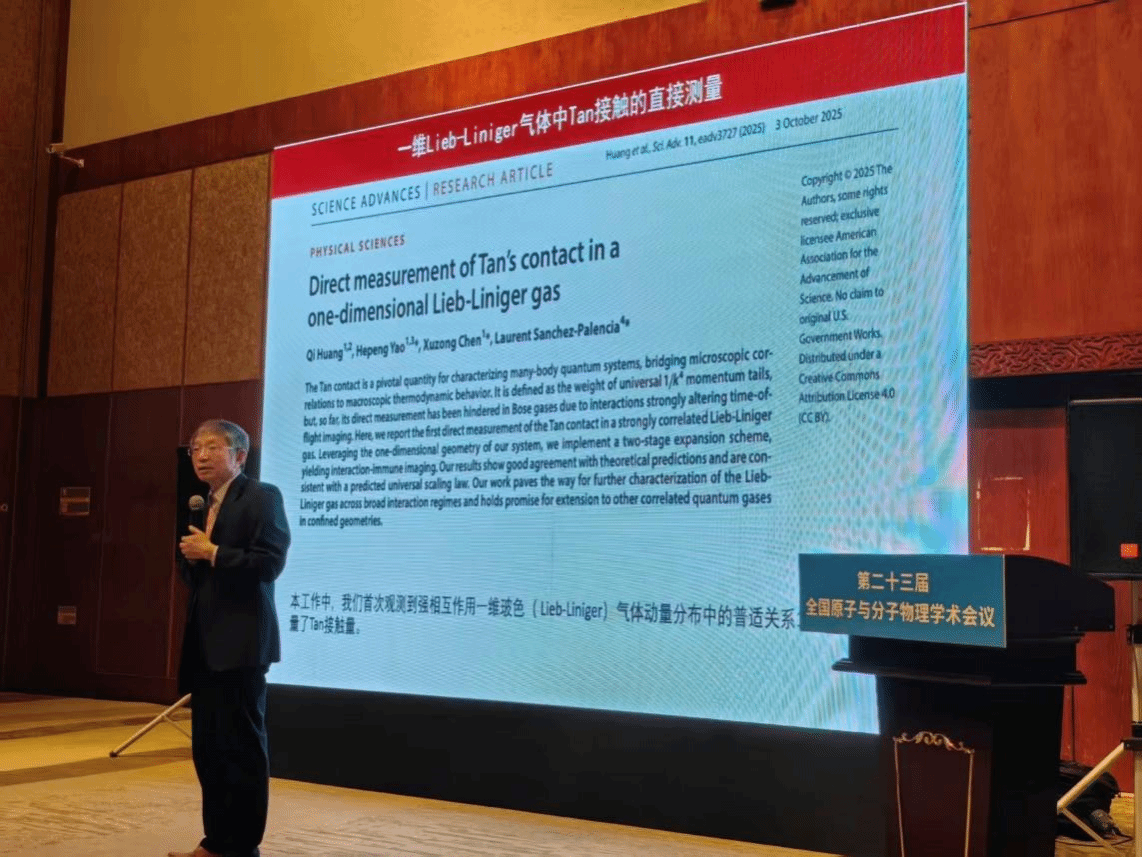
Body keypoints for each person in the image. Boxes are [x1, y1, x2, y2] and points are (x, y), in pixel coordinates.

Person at [172, 419, 290, 857]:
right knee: (209, 750)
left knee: (241, 750)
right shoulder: (198, 504)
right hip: (205, 645)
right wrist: (194, 559)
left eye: (212, 447)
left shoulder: (262, 496)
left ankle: (242, 846)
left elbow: (269, 564)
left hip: (242, 644)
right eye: (195, 448)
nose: (201, 455)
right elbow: (194, 576)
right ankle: (217, 841)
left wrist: (214, 552)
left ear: (239, 456)